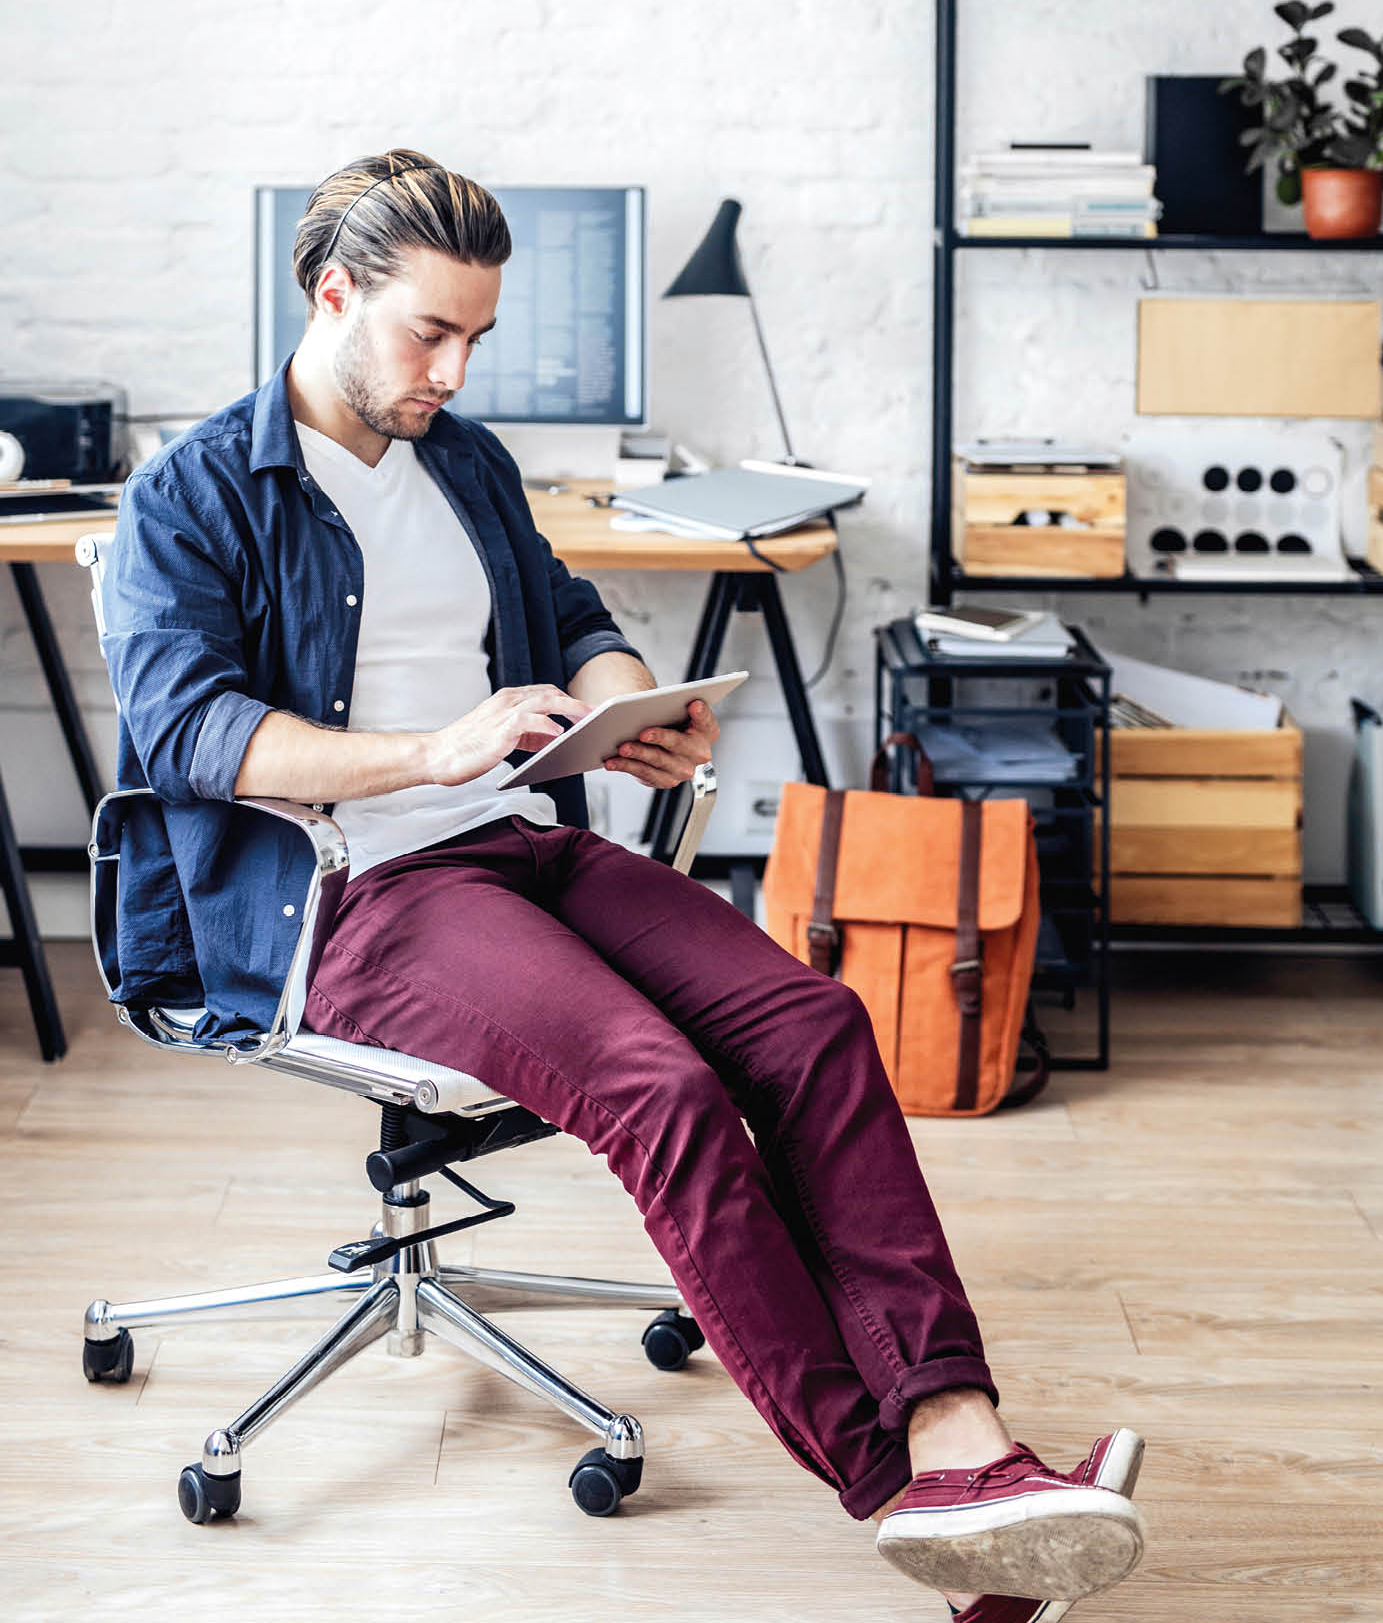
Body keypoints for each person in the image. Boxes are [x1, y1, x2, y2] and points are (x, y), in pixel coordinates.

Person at [105, 150, 1147, 1615]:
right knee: (658, 1087)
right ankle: (896, 1491)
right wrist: (430, 748)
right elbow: (193, 735)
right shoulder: (195, 493)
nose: (456, 372)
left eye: (477, 336)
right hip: (347, 897)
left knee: (810, 1028)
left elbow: (572, 610)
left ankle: (962, 1435)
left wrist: (625, 697)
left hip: (513, 842)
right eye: (430, 334)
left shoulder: (457, 458)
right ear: (332, 294)